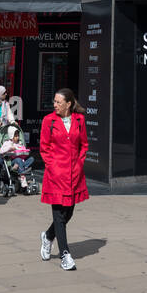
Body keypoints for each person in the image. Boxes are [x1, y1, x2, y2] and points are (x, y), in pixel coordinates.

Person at [39, 88, 89, 270]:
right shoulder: (48, 121)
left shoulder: (80, 120)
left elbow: (84, 145)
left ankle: (48, 236)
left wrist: (79, 163)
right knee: (59, 215)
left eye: (58, 102)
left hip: (74, 175)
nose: (55, 105)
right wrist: (52, 166)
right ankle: (65, 255)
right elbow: (44, 148)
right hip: (55, 175)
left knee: (69, 213)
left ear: (68, 104)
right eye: (54, 101)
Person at [1, 124, 35, 192]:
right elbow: (1, 151)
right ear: (11, 136)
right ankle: (22, 177)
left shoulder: (19, 143)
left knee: (31, 159)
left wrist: (24, 150)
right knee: (18, 160)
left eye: (18, 135)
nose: (18, 137)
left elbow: (23, 150)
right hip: (13, 161)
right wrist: (10, 148)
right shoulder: (8, 143)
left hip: (21, 161)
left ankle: (21, 167)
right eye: (15, 136)